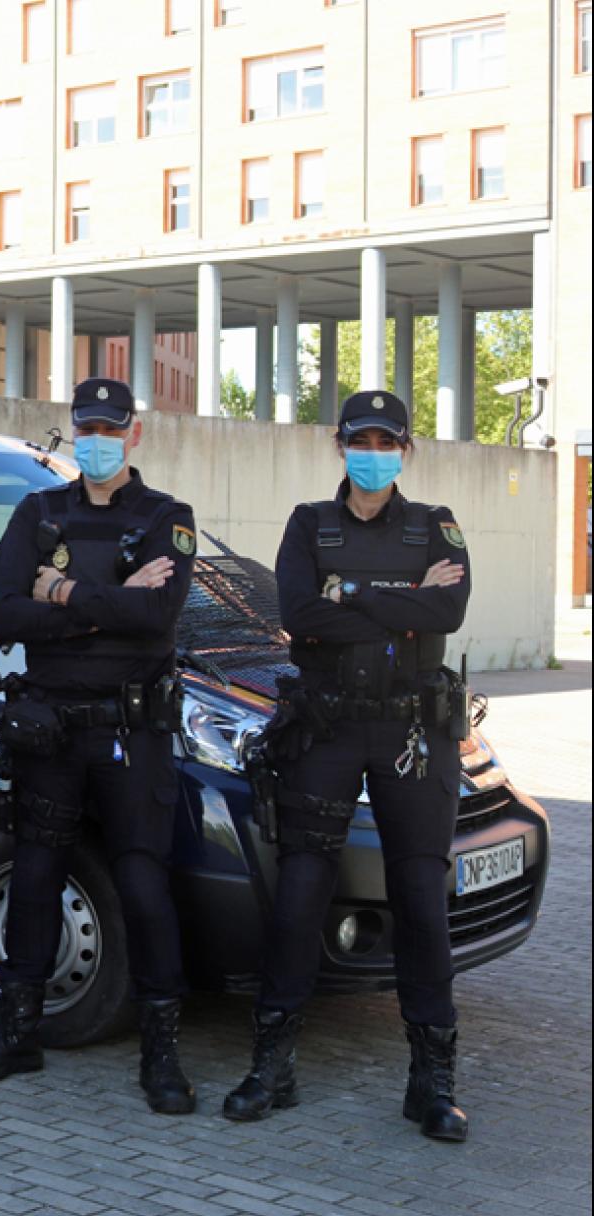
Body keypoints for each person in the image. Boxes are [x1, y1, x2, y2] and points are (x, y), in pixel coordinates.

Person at [224, 389, 472, 1142]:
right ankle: (274, 1064)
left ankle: (430, 1084)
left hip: (410, 736)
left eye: (385, 441)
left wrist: (353, 592)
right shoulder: (310, 524)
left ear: (406, 448)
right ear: (340, 446)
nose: (372, 453)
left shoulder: (436, 526)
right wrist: (397, 598)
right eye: (359, 440)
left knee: (423, 903)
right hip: (327, 728)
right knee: (301, 892)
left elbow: (449, 613)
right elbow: (299, 614)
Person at [0, 377, 198, 1114]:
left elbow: (158, 617)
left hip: (130, 732)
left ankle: (161, 1052)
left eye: (110, 429)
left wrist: (60, 592)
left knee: (145, 887)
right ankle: (15, 1033)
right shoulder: (39, 508)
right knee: (33, 876)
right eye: (85, 428)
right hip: (49, 728)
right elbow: (6, 613)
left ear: (135, 434)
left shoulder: (165, 517)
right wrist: (109, 598)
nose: (96, 440)